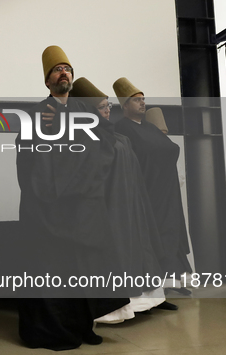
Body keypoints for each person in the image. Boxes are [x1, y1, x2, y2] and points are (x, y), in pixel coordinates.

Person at [15, 46, 127, 350]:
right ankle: (53, 330)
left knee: (84, 267)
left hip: (83, 206)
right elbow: (27, 158)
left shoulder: (85, 113)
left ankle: (82, 325)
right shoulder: (35, 114)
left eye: (67, 69)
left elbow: (105, 146)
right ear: (47, 81)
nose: (63, 73)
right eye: (56, 70)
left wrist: (87, 180)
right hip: (48, 207)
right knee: (53, 269)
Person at [70, 78, 170, 321]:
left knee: (138, 250)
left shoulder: (117, 136)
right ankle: (114, 311)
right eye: (102, 107)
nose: (107, 111)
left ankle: (145, 303)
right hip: (109, 207)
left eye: (108, 106)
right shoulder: (84, 137)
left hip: (131, 204)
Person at [113, 77, 192, 289]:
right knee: (156, 231)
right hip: (149, 191)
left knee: (172, 228)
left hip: (168, 190)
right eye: (136, 100)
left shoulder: (150, 127)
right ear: (125, 105)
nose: (142, 103)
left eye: (143, 99)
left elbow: (168, 149)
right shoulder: (121, 128)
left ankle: (177, 274)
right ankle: (161, 278)